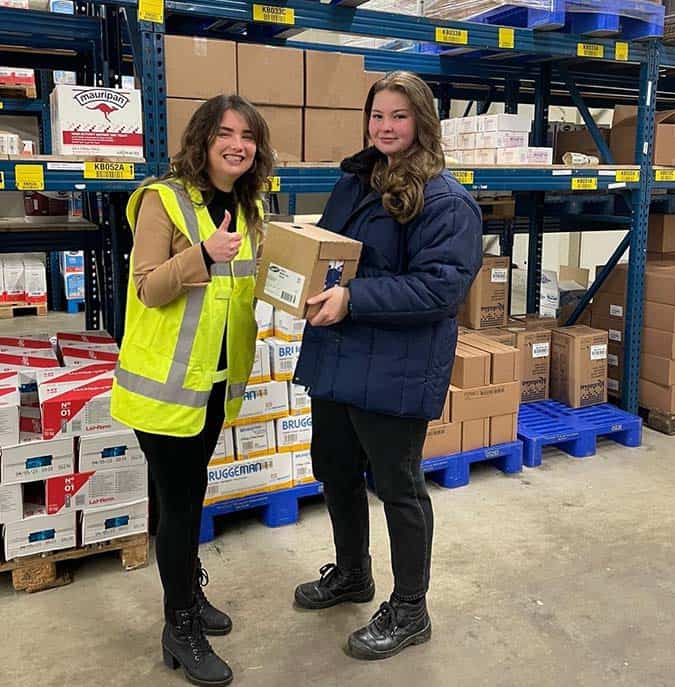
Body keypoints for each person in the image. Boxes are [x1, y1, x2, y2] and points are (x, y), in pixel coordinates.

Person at [292, 71, 483, 660]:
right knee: (336, 470)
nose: (386, 127)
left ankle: (410, 608)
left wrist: (353, 298)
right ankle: (353, 573)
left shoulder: (446, 200)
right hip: (338, 352)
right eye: (377, 116)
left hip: (396, 364)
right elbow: (332, 253)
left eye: (399, 116)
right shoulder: (356, 181)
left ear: (422, 121)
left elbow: (440, 289)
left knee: (399, 487)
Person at [111, 94, 272, 686]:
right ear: (203, 138)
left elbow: (245, 287)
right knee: (179, 507)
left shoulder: (250, 205)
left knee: (189, 496)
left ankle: (186, 594)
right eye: (225, 133)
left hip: (212, 383)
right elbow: (148, 289)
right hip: (164, 389)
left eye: (248, 136)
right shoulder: (163, 199)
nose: (237, 145)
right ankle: (179, 626)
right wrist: (201, 254)